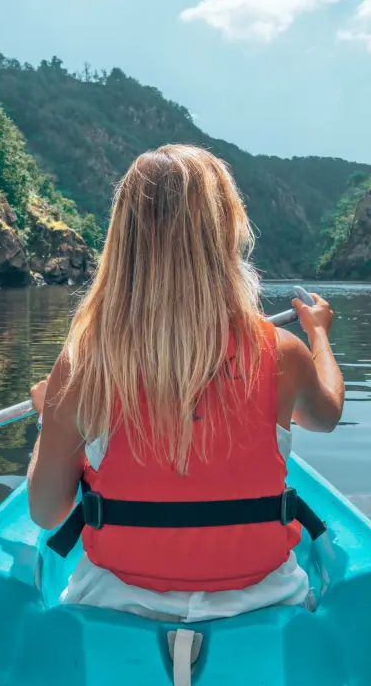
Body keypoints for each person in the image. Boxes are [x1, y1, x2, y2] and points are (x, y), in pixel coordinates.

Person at [27, 144, 344, 623]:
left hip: (117, 601)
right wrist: (317, 333)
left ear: (123, 240)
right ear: (224, 235)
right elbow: (326, 416)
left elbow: (48, 513)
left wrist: (50, 415)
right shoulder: (283, 352)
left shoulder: (84, 365)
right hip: (265, 598)